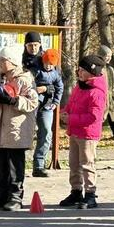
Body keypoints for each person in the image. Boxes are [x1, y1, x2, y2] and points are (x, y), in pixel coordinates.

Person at [0, 45, 39, 212]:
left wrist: (14, 101)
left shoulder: (25, 79)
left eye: (3, 60)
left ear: (13, 61)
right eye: (0, 60)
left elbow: (33, 103)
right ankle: (1, 195)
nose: (0, 63)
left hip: (16, 131)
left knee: (15, 166)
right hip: (0, 131)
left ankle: (15, 197)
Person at [60, 53, 108, 209]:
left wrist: (71, 118)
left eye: (82, 70)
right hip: (75, 132)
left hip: (88, 134)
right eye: (78, 70)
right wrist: (64, 112)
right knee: (74, 164)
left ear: (92, 72)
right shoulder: (79, 86)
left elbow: (94, 116)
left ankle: (90, 194)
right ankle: (76, 191)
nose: (79, 73)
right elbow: (71, 103)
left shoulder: (97, 92)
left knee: (87, 163)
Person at [30, 48, 64, 178]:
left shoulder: (56, 74)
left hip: (47, 105)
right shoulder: (36, 71)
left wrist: (56, 102)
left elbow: (59, 88)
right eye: (47, 63)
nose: (49, 66)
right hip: (33, 103)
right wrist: (40, 89)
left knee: (46, 132)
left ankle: (39, 164)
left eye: (51, 64)